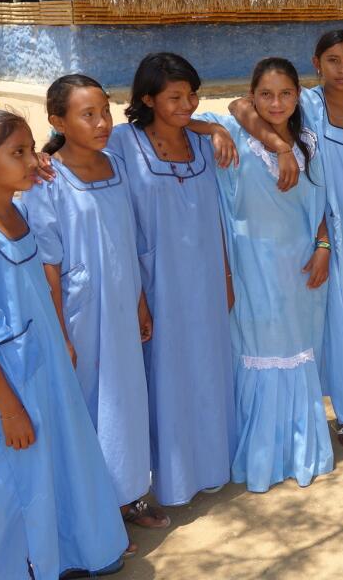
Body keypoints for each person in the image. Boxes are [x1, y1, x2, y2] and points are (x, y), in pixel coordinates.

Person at [0, 109, 127, 579]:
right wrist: (10, 410)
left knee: (53, 464)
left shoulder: (17, 210)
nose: (31, 160)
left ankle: (65, 554)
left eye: (31, 147)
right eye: (17, 153)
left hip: (40, 368)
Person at [223, 30, 343, 450]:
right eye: (333, 60)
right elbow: (240, 105)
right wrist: (278, 147)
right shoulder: (308, 105)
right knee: (331, 319)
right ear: (316, 63)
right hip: (322, 229)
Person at [21, 75, 170, 551]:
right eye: (88, 115)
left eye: (105, 111)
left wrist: (141, 301)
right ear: (57, 121)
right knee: (87, 408)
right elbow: (48, 260)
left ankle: (129, 494)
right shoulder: (46, 180)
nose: (103, 122)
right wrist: (60, 330)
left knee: (124, 401)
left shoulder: (116, 165)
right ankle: (95, 514)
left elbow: (128, 238)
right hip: (81, 313)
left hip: (123, 304)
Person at [198, 57, 336, 492]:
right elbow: (185, 120)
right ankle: (260, 456)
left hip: (298, 262)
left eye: (286, 94)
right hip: (250, 262)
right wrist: (217, 129)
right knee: (257, 349)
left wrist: (323, 246)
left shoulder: (310, 139)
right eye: (266, 94)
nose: (277, 103)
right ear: (251, 96)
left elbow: (319, 203)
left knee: (297, 348)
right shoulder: (234, 130)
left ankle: (300, 452)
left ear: (299, 95)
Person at [106, 52, 237, 507]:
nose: (188, 104)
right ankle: (170, 477)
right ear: (147, 98)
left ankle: (211, 465)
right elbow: (68, 151)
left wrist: (225, 274)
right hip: (154, 282)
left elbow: (218, 215)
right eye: (175, 96)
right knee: (161, 375)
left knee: (207, 369)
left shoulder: (204, 143)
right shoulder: (122, 143)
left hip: (204, 280)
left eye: (193, 95)